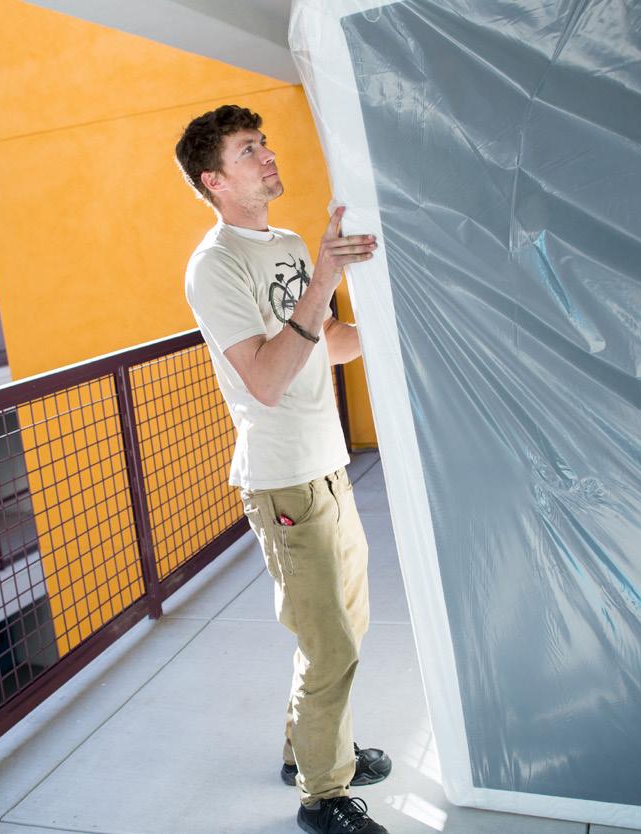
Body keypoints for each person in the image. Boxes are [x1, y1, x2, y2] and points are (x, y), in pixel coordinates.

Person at [175, 104, 392, 834]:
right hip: (282, 479)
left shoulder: (292, 242)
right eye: (248, 150)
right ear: (214, 180)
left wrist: (395, 325)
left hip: (327, 463)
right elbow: (266, 379)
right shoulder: (214, 265)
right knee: (328, 642)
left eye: (263, 144)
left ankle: (309, 752)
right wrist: (325, 273)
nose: (267, 155)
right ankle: (321, 798)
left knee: (344, 625)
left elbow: (325, 343)